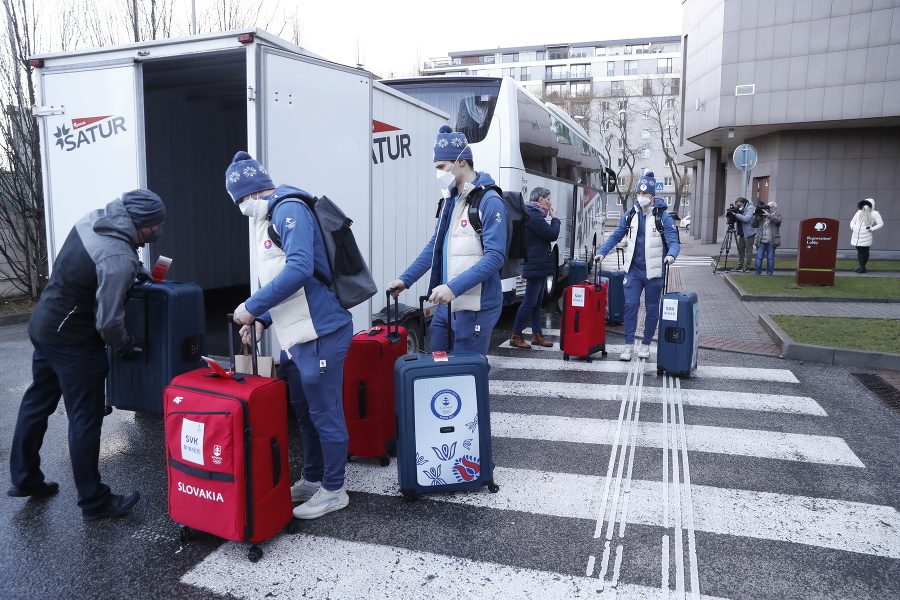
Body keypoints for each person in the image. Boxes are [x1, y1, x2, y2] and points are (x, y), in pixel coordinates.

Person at [9, 189, 165, 521]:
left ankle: (25, 479)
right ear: (141, 225)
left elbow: (98, 264)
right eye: (155, 227)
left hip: (45, 323)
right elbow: (108, 323)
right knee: (85, 417)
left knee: (38, 400)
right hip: (74, 342)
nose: (157, 232)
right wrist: (126, 342)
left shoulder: (92, 219)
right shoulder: (118, 258)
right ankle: (94, 502)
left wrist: (135, 268)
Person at [224, 151, 354, 520]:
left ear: (246, 194)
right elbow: (280, 278)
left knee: (325, 411)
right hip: (296, 333)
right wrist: (263, 317)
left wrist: (251, 306)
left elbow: (299, 267)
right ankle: (313, 478)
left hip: (322, 330)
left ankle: (334, 489)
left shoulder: (287, 208)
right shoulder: (267, 215)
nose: (240, 207)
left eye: (238, 200)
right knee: (304, 408)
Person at [387, 125, 506, 356]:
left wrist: (454, 287)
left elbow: (496, 256)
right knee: (439, 369)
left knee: (466, 375)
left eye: (441, 167)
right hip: (446, 305)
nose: (438, 174)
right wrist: (405, 280)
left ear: (461, 161)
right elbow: (435, 246)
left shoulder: (490, 201)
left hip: (475, 306)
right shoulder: (449, 200)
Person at [593, 172, 680, 361]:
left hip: (654, 271)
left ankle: (646, 344)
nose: (641, 198)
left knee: (651, 308)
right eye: (638, 194)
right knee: (630, 306)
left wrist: (671, 255)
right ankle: (628, 345)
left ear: (652, 196)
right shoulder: (631, 214)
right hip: (633, 270)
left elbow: (674, 241)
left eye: (645, 195)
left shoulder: (662, 217)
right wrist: (602, 252)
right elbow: (617, 235)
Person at [510, 187, 560, 349]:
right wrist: (555, 218)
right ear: (540, 200)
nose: (550, 202)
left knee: (537, 302)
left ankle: (537, 335)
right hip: (535, 263)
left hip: (538, 262)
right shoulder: (533, 215)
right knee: (529, 301)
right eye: (548, 199)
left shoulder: (534, 214)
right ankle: (516, 335)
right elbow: (552, 235)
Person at [849, 198, 884, 273]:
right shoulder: (859, 212)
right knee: (860, 251)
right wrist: (853, 227)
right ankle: (862, 267)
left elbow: (880, 223)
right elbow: (852, 221)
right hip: (856, 234)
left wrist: (871, 229)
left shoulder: (874, 213)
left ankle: (862, 267)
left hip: (866, 234)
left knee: (865, 251)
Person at [752, 201, 782, 275]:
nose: (769, 209)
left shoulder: (777, 215)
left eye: (771, 207)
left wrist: (768, 215)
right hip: (761, 240)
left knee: (770, 257)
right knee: (759, 257)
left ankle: (769, 272)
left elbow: (778, 221)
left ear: (775, 208)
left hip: (771, 240)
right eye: (768, 207)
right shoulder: (762, 215)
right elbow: (753, 225)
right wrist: (756, 215)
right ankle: (757, 272)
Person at [731, 197, 757, 272]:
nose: (739, 207)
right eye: (737, 205)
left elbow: (746, 219)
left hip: (748, 232)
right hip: (741, 232)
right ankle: (740, 265)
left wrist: (736, 214)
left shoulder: (750, 208)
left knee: (748, 250)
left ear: (744, 203)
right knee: (740, 249)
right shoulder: (741, 209)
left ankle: (746, 267)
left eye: (740, 205)